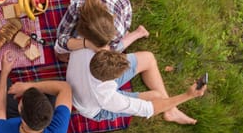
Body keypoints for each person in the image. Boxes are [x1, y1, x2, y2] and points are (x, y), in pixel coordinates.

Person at [66, 49, 206, 124]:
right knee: (157, 98)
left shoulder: (87, 47)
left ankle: (171, 110)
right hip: (96, 108)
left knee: (148, 58)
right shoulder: (106, 98)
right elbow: (148, 109)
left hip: (86, 81)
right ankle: (171, 111)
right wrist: (188, 95)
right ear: (112, 80)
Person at [0, 51, 72, 133]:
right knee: (54, 90)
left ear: (20, 109)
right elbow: (65, 88)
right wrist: (29, 87)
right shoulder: (57, 131)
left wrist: (4, 72)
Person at [55, 0, 148, 62]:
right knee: (66, 40)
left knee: (113, 53)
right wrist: (86, 43)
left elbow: (111, 50)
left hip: (122, 7)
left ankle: (138, 33)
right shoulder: (78, 6)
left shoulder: (118, 31)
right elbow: (62, 36)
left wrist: (100, 48)